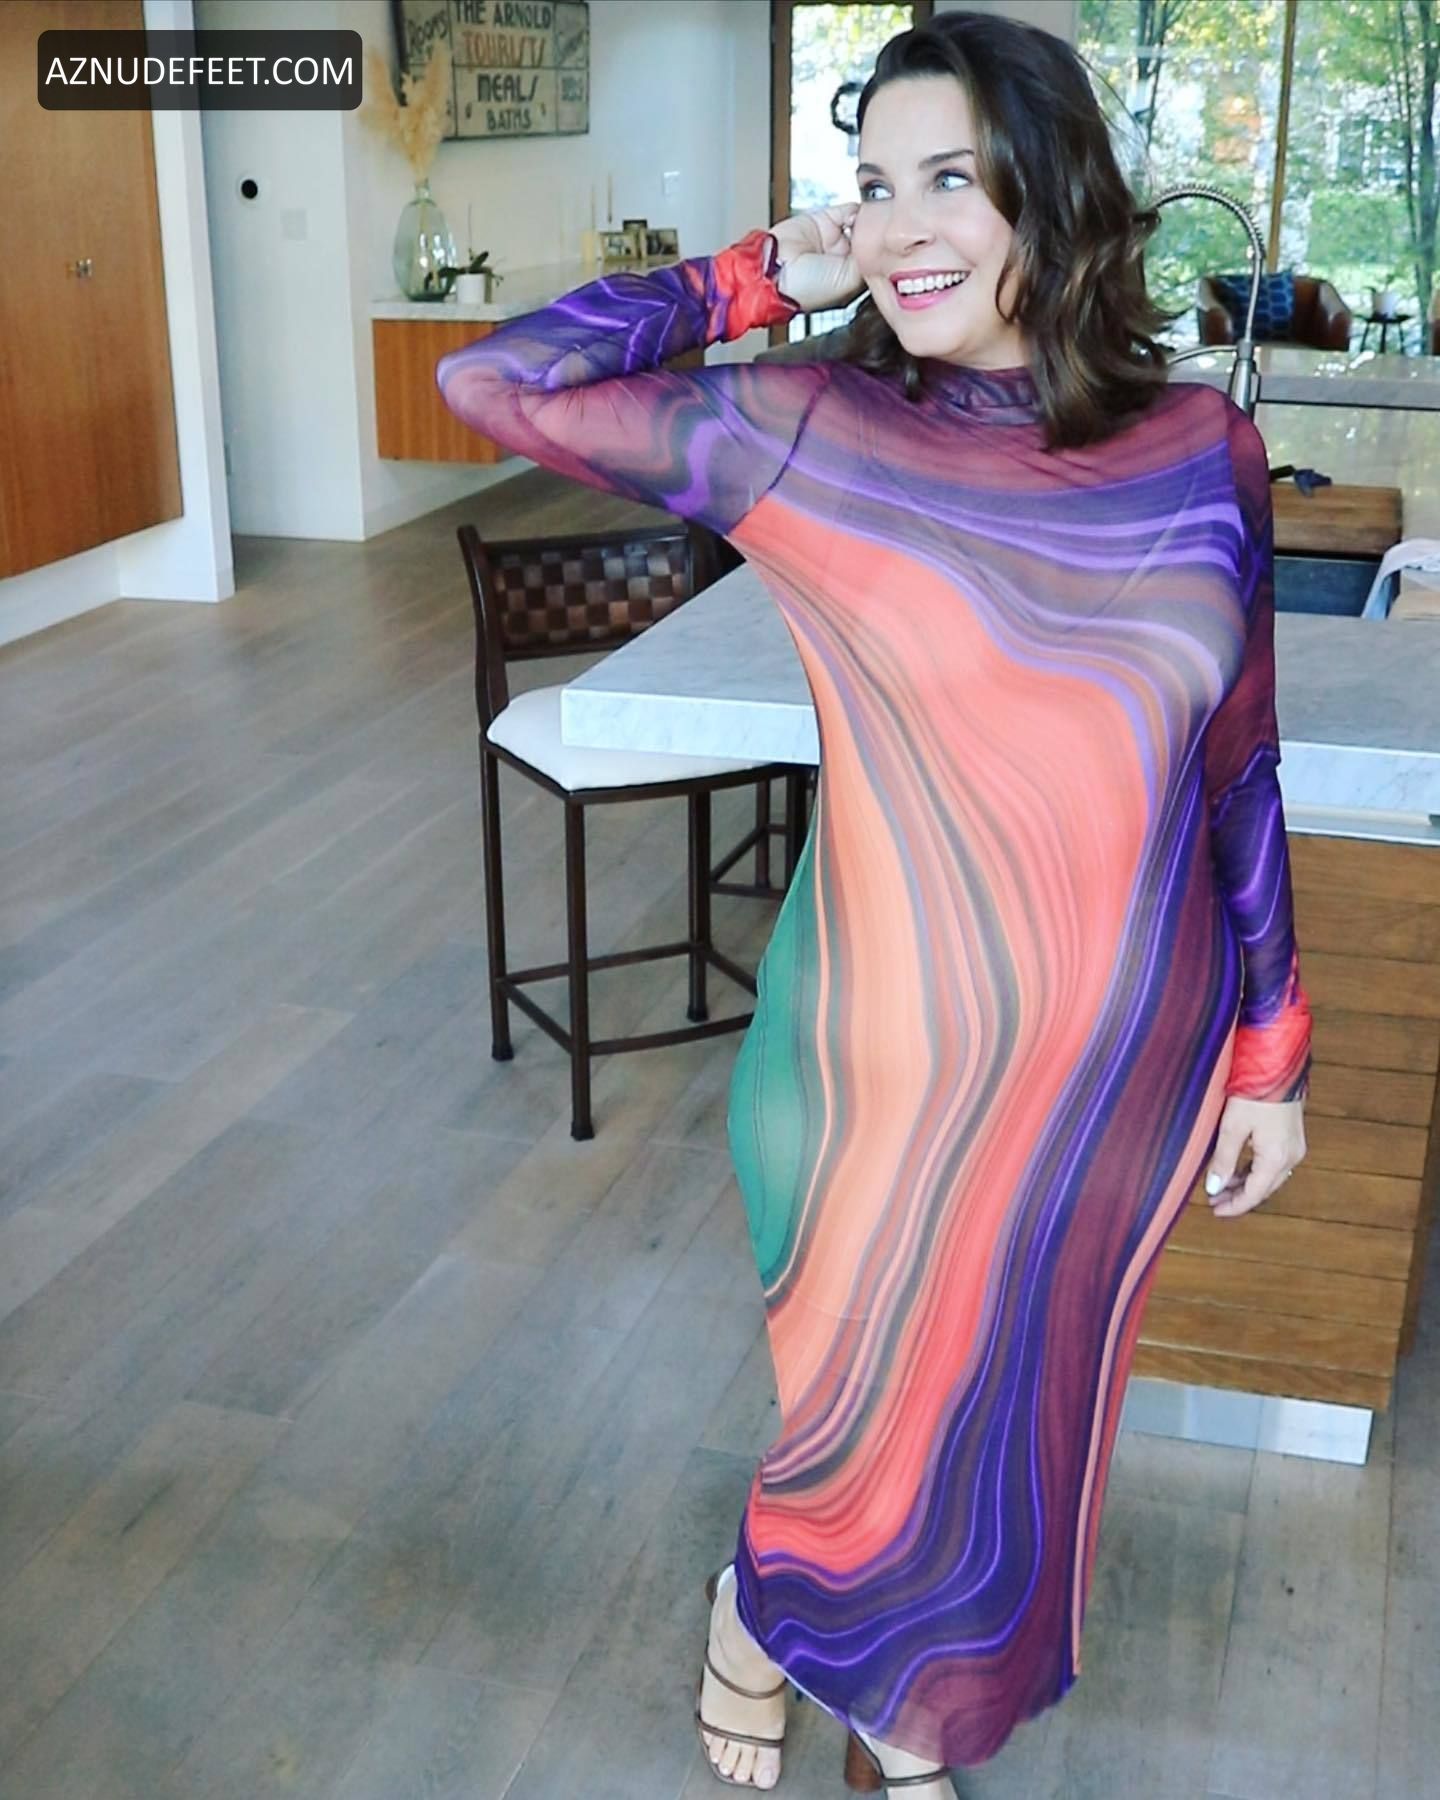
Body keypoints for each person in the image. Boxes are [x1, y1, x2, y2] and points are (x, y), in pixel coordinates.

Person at [436, 10, 1312, 1794]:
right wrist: (772, 268)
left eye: (951, 180)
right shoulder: (811, 431)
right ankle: (767, 1633)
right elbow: (495, 383)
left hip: (1116, 1085)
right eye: (873, 184)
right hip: (875, 1080)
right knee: (865, 1447)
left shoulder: (1200, 447)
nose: (902, 227)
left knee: (1011, 1447)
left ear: (1053, 196)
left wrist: (1273, 1047)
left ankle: (892, 1704)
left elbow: (1238, 765)